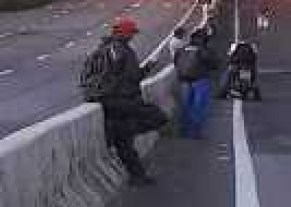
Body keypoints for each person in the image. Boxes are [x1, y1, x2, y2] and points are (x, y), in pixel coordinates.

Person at [80, 17, 167, 186]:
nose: (133, 37)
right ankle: (137, 174)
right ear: (125, 33)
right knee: (157, 116)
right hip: (121, 100)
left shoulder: (102, 49)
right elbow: (133, 77)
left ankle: (138, 175)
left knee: (124, 143)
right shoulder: (123, 51)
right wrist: (148, 67)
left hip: (105, 99)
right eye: (131, 33)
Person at [173, 27, 221, 138]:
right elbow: (214, 63)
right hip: (199, 79)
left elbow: (176, 62)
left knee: (185, 106)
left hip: (184, 80)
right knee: (198, 107)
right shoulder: (203, 50)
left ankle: (183, 130)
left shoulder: (182, 49)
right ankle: (194, 132)